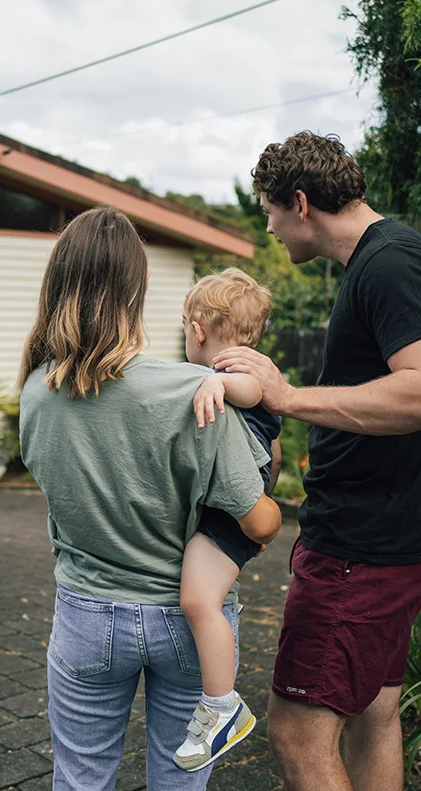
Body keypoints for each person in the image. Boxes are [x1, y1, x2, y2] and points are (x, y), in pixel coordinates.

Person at [213, 132, 421, 791]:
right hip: (390, 537)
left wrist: (288, 398)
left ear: (300, 203)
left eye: (268, 210)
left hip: (361, 549)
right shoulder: (382, 262)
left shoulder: (392, 264)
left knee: (297, 731)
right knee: (374, 714)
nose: (267, 227)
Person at [20, 207, 282, 791]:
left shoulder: (36, 392)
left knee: (81, 781)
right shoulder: (197, 393)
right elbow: (260, 522)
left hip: (87, 615)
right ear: (135, 291)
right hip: (187, 625)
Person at [173, 268, 284, 770]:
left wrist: (217, 380)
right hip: (229, 512)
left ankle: (223, 707)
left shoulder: (239, 374)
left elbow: (254, 393)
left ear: (197, 329)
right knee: (201, 598)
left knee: (199, 599)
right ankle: (218, 704)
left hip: (228, 518)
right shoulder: (227, 372)